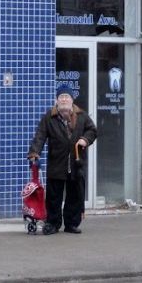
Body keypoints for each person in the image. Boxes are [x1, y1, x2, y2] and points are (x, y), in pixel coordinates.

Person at [27, 85, 97, 235]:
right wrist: (34, 153)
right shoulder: (49, 117)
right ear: (56, 100)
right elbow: (40, 136)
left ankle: (71, 223)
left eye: (67, 97)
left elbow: (92, 130)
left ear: (72, 100)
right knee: (54, 197)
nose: (64, 99)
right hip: (56, 163)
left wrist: (85, 139)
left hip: (76, 162)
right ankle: (53, 223)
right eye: (61, 97)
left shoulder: (82, 116)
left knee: (75, 196)